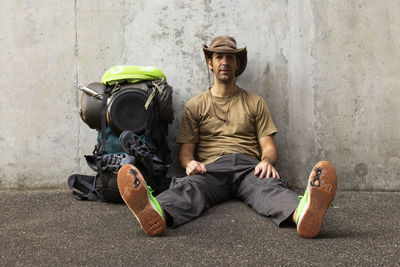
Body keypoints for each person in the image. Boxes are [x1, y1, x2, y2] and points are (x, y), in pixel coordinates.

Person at [117, 35, 337, 238]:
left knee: (269, 188)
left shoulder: (255, 102)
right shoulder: (195, 105)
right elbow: (185, 153)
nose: (224, 62)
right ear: (209, 63)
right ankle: (156, 212)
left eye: (230, 57)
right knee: (189, 188)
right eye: (218, 57)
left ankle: (304, 214)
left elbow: (269, 148)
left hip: (249, 168)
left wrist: (266, 162)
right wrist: (190, 163)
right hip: (211, 169)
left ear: (237, 64)